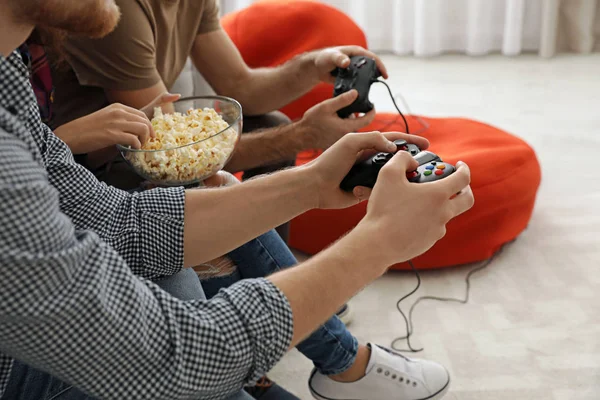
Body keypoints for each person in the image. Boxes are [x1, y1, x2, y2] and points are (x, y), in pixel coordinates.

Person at [0, 1, 475, 400]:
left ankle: (315, 364)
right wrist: (378, 242)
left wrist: (312, 182)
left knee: (183, 279)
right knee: (192, 328)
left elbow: (123, 223)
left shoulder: (8, 73)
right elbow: (174, 357)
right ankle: (339, 362)